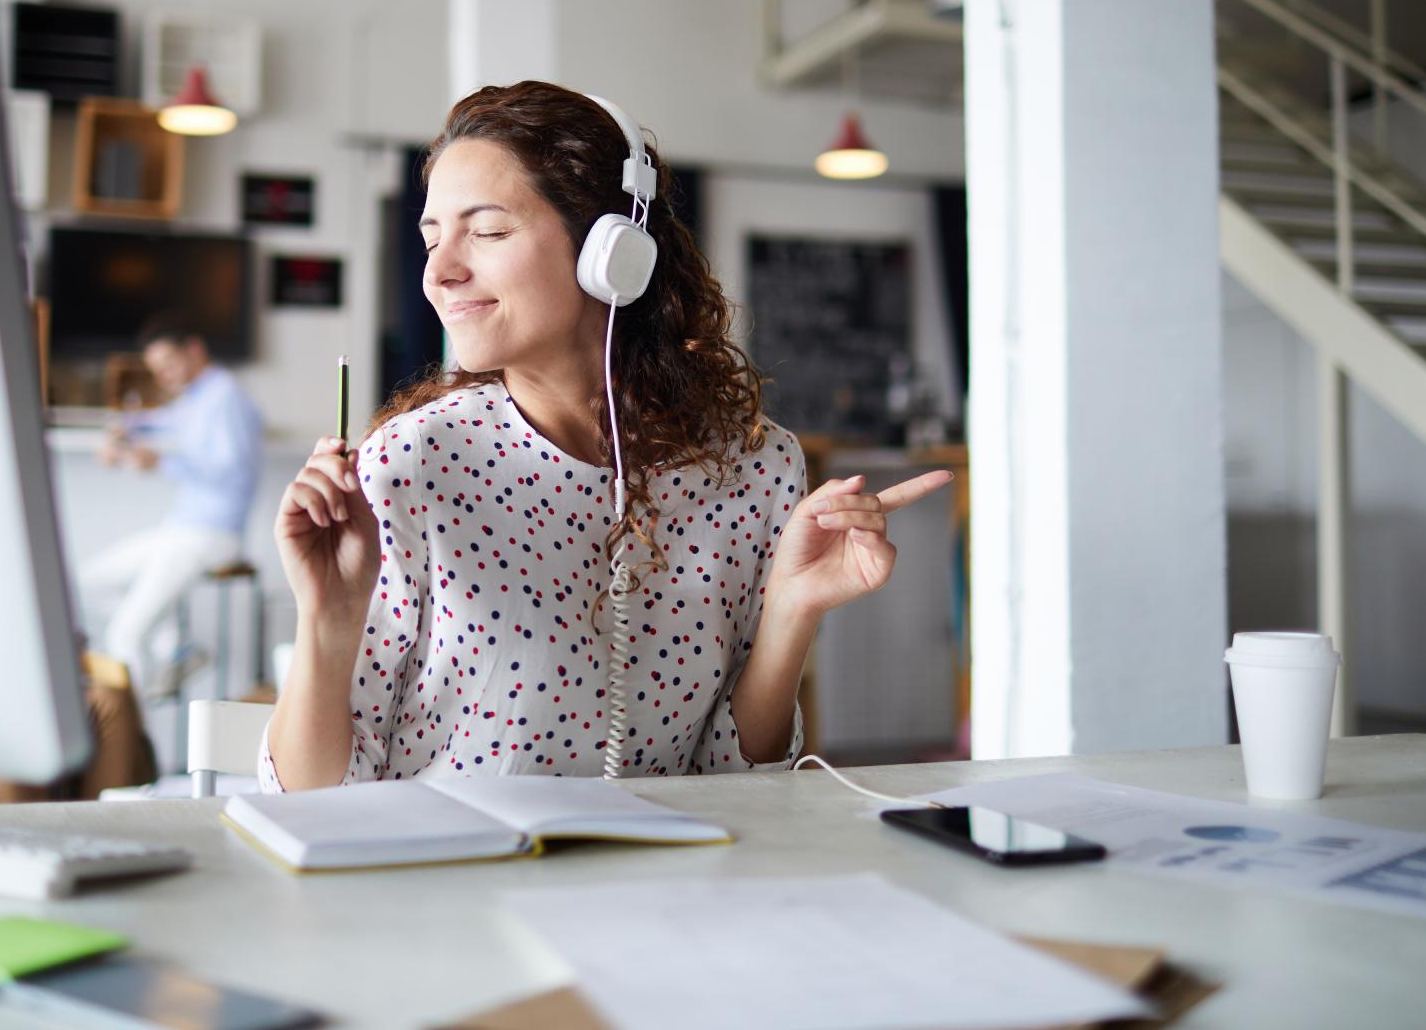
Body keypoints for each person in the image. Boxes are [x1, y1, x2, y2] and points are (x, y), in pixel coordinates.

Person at [261, 81, 951, 790]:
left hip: (661, 888)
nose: (440, 271)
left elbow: (737, 779)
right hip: (448, 885)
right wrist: (326, 620)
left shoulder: (757, 466)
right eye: (432, 238)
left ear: (612, 251)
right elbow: (313, 800)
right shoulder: (414, 462)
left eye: (488, 232)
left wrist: (791, 612)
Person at [79, 315, 263, 693]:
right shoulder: (197, 397)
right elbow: (162, 421)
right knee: (86, 583)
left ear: (194, 350)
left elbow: (231, 473)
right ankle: (176, 648)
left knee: (126, 633)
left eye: (169, 365)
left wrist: (160, 463)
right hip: (181, 529)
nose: (165, 377)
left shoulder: (225, 396)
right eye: (157, 370)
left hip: (212, 535)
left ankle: (131, 744)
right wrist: (124, 430)